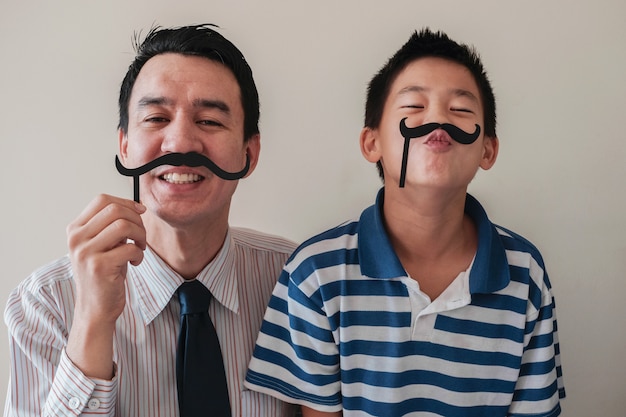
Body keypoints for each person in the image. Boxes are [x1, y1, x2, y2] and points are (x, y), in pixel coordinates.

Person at [245, 28, 565, 416]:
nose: (437, 120)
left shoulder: (524, 274)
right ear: (372, 143)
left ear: (488, 149)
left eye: (461, 110)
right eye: (414, 106)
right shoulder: (316, 273)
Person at [4, 24, 298, 417]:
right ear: (125, 147)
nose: (179, 143)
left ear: (249, 153)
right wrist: (92, 318)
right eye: (156, 118)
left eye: (209, 121)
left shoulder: (300, 283)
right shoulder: (45, 305)